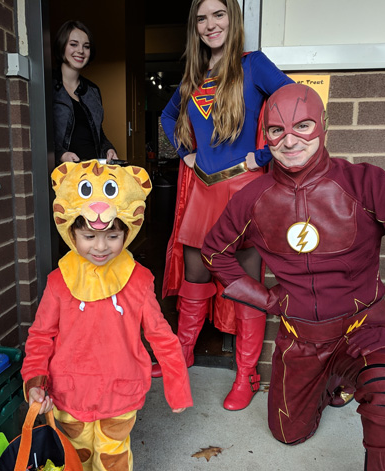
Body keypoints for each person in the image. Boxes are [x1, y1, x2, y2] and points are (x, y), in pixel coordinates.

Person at [201, 83, 385, 470]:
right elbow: (214, 252)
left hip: (363, 328)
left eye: (303, 126)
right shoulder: (250, 197)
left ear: (323, 126)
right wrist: (269, 300)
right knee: (288, 434)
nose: (290, 140)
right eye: (277, 130)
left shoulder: (365, 183)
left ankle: (364, 376)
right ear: (266, 135)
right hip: (302, 339)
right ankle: (333, 383)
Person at [154, 0, 293, 412]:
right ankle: (184, 352)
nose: (210, 24)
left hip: (245, 190)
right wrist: (185, 154)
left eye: (219, 14)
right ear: (194, 26)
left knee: (246, 282)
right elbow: (167, 118)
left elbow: (296, 105)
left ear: (233, 19)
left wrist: (264, 154)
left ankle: (247, 372)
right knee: (196, 273)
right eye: (201, 17)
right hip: (203, 190)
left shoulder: (254, 64)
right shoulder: (194, 75)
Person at [22, 160, 192, 471]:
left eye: (112, 237)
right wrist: (35, 380)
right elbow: (41, 336)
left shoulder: (138, 280)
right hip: (68, 395)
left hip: (120, 395)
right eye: (89, 236)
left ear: (127, 232)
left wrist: (177, 385)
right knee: (75, 458)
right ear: (71, 233)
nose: (100, 247)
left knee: (113, 459)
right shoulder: (59, 281)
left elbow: (160, 335)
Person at [53, 20, 118, 164]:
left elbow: (98, 133)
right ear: (61, 45)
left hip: (93, 171)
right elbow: (39, 135)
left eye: (86, 46)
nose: (80, 51)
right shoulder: (48, 86)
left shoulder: (93, 91)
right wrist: (61, 154)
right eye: (73, 44)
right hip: (64, 173)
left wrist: (109, 149)